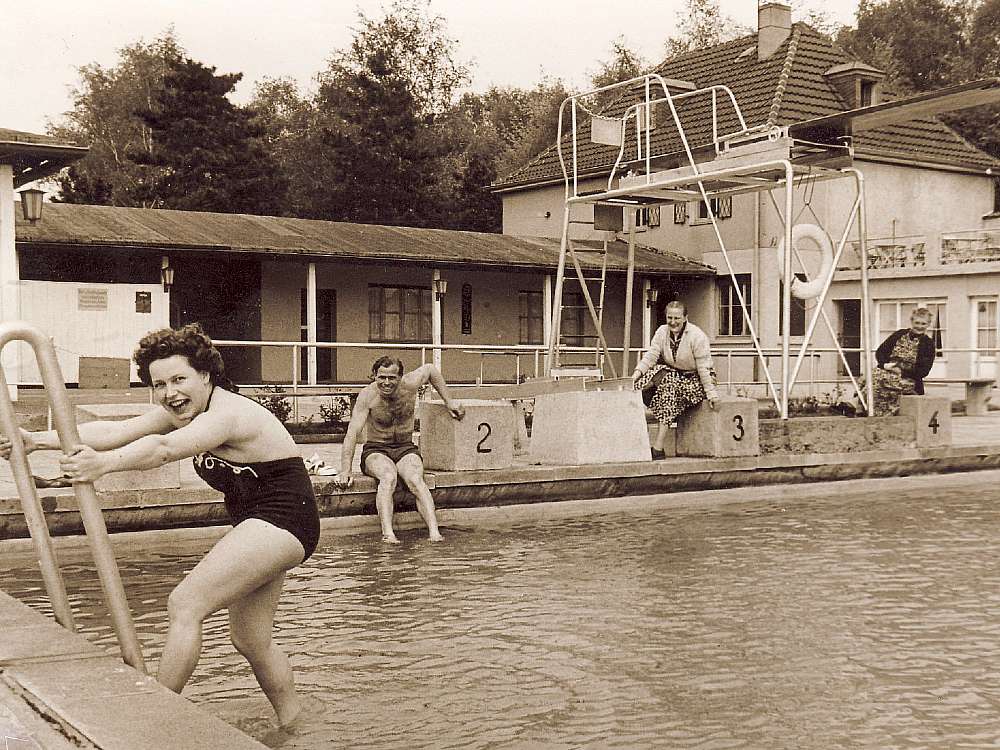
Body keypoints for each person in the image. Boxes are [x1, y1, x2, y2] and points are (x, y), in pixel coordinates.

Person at [0, 323, 318, 727]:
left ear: (206, 375)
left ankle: (151, 719)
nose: (170, 393)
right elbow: (117, 431)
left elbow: (163, 449)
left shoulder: (229, 413)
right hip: (262, 523)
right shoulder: (182, 410)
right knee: (251, 639)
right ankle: (295, 724)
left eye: (179, 379)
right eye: (160, 384)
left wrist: (104, 466)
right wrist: (37, 440)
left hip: (284, 518)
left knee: (186, 604)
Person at [332, 357, 464, 543]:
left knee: (415, 480)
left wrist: (449, 401)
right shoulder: (367, 396)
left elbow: (431, 369)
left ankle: (434, 533)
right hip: (376, 450)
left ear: (401, 377)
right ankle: (389, 534)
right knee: (388, 477)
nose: (386, 383)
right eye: (382, 377)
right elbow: (352, 433)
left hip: (405, 448)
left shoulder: (410, 385)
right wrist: (345, 470)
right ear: (374, 376)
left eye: (392, 378)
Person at [632, 300, 720, 459]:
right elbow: (651, 356)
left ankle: (658, 447)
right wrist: (635, 374)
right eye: (669, 318)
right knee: (645, 381)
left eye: (677, 318)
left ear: (686, 317)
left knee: (669, 386)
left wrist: (712, 394)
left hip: (697, 381)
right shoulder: (662, 331)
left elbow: (704, 368)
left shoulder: (697, 336)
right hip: (675, 376)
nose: (673, 322)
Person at [870, 307, 937, 416]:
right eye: (917, 323)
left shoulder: (928, 344)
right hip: (887, 371)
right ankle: (863, 408)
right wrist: (886, 365)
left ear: (928, 324)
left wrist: (901, 371)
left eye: (923, 324)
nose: (919, 326)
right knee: (868, 377)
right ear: (911, 321)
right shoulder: (899, 334)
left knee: (877, 380)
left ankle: (872, 412)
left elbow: (923, 371)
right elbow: (881, 352)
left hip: (909, 379)